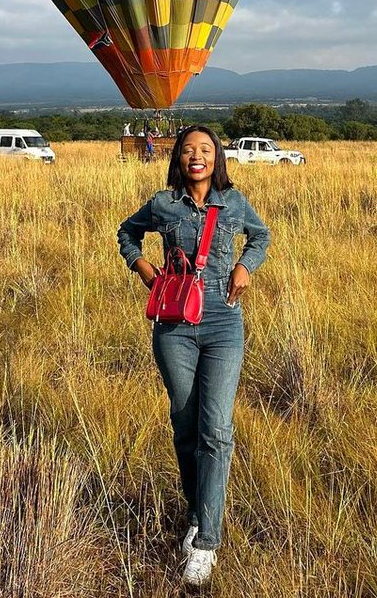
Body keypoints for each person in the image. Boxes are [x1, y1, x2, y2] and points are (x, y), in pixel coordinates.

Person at [117, 126, 271, 588]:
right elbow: (127, 232)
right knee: (185, 426)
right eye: (188, 150)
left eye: (205, 150)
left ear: (216, 157)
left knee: (216, 430)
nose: (197, 157)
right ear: (178, 159)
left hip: (224, 323)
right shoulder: (163, 204)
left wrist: (245, 266)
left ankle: (207, 542)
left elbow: (260, 237)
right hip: (174, 327)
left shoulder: (234, 201)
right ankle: (195, 515)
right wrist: (142, 265)